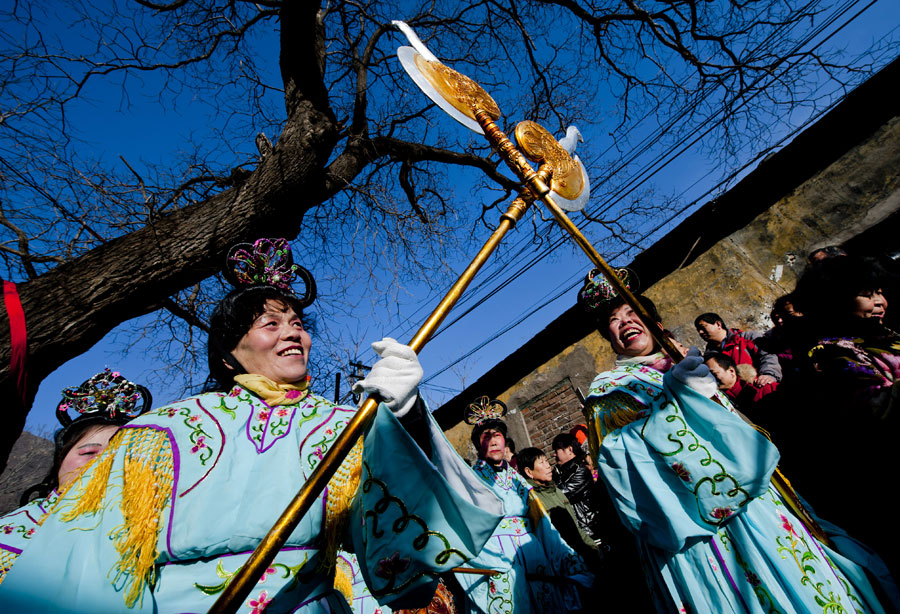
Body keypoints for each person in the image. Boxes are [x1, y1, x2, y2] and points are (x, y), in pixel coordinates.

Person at [0, 238, 504, 613]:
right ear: (227, 353)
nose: (293, 335)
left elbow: (405, 544)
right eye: (271, 324)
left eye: (298, 324)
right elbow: (89, 562)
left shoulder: (347, 426)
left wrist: (408, 418)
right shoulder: (162, 434)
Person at [577, 273, 894, 612]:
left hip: (761, 506)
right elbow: (629, 466)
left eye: (632, 313)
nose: (626, 323)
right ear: (608, 338)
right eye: (614, 321)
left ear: (655, 322)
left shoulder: (685, 361)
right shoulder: (610, 393)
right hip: (704, 530)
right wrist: (681, 399)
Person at [785, 255, 899, 577]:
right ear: (835, 301)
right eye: (867, 293)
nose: (880, 301)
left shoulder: (885, 336)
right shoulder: (830, 352)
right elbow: (877, 408)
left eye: (879, 290)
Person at [0, 369, 152, 583]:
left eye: (118, 455)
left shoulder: (151, 531)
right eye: (89, 452)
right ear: (60, 461)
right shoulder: (10, 532)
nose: (102, 462)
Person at [456, 396, 592, 613]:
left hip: (535, 558)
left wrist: (569, 560)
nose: (493, 441)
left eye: (498, 435)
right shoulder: (470, 484)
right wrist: (498, 568)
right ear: (478, 445)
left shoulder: (519, 480)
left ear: (504, 441)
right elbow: (466, 535)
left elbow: (542, 524)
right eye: (485, 436)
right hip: (501, 565)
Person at [516, 447, 599, 562]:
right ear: (529, 472)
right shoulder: (531, 500)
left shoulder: (555, 490)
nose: (547, 465)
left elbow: (576, 526)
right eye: (541, 462)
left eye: (546, 461)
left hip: (583, 554)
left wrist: (592, 546)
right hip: (563, 561)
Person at [695, 311, 782, 387]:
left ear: (718, 324)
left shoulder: (748, 338)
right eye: (698, 330)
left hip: (762, 388)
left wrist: (769, 374)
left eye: (703, 327)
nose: (700, 332)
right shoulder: (709, 357)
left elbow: (768, 355)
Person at [551, 432, 601, 541]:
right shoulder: (560, 472)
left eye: (556, 450)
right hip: (576, 530)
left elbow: (562, 494)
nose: (554, 454)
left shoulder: (581, 470)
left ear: (569, 449)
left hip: (589, 528)